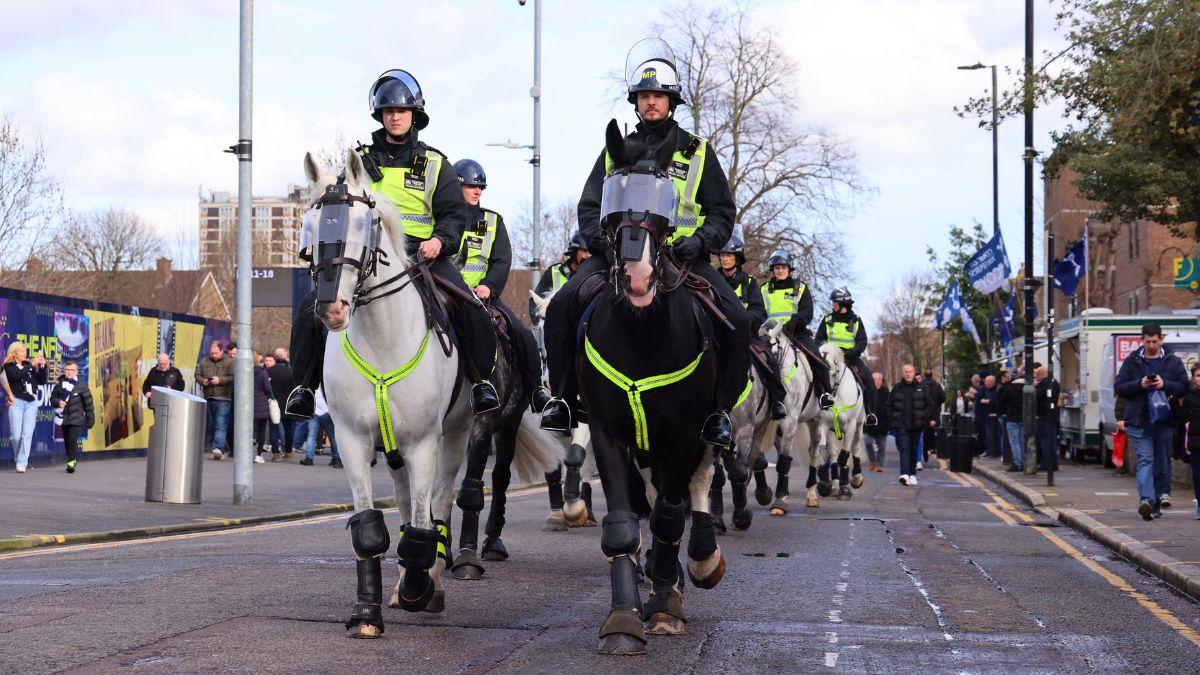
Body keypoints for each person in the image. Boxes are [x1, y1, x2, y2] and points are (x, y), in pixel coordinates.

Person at [539, 54, 749, 448]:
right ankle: (563, 399)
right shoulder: (616, 150)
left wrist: (701, 241)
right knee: (563, 304)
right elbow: (589, 206)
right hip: (621, 252)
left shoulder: (697, 151)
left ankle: (719, 412)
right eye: (643, 96)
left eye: (658, 95)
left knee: (737, 319)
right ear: (635, 101)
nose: (651, 102)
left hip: (684, 255)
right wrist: (603, 243)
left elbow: (722, 212)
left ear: (671, 101)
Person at [284, 68, 500, 419]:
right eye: (388, 111)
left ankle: (481, 383)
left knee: (471, 306)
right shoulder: (359, 161)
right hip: (372, 256)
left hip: (424, 255)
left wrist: (440, 241)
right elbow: (340, 207)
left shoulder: (435, 164)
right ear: (380, 116)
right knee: (311, 306)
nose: (394, 117)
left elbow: (454, 214)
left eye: (401, 110)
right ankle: (304, 389)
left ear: (415, 115)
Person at [452, 157, 551, 412]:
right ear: (456, 186)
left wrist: (488, 286)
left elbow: (501, 260)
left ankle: (536, 389)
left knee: (523, 334)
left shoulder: (494, 221)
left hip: (484, 296)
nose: (477, 191)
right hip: (448, 293)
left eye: (481, 187)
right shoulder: (442, 221)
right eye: (471, 186)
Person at [1114, 323, 1187, 520]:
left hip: (1164, 419)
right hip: (1139, 419)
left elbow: (1183, 386)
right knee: (1146, 459)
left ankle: (1156, 501)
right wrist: (1140, 383)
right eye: (1148, 341)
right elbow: (1120, 387)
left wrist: (1166, 384)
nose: (1152, 345)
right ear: (1142, 339)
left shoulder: (1172, 361)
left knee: (1161, 462)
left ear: (1161, 339)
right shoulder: (1132, 361)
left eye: (1155, 341)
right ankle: (1146, 500)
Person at [719, 235, 786, 420]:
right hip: (717, 335)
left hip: (745, 335)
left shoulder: (750, 282)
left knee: (769, 358)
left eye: (729, 256)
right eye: (723, 255)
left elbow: (758, 310)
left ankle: (777, 401)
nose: (725, 259)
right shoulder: (714, 279)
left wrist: (742, 321)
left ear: (737, 259)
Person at [760, 248, 833, 412]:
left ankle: (825, 393)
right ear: (773, 270)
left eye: (783, 268)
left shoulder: (800, 288)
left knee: (818, 359)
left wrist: (794, 322)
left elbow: (807, 312)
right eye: (777, 268)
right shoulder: (764, 289)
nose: (780, 271)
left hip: (795, 332)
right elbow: (760, 311)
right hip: (770, 333)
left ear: (789, 269)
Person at [815, 287, 877, 421]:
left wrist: (851, 352)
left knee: (868, 378)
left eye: (834, 302)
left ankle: (870, 412)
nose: (832, 304)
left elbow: (862, 341)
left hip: (850, 357)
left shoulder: (856, 320)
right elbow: (818, 339)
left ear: (843, 304)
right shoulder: (827, 319)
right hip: (830, 357)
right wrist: (826, 350)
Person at [3, 342, 48, 473]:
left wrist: (43, 368)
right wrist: (31, 365)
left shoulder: (28, 365)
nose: (24, 354)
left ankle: (22, 463)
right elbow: (17, 376)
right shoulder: (8, 366)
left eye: (25, 351)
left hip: (31, 402)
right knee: (16, 436)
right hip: (16, 401)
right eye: (21, 351)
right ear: (14, 353)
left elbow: (41, 381)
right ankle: (19, 457)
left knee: (27, 434)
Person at [529, 231, 590, 323]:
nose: (589, 255)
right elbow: (535, 305)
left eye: (591, 252)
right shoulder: (554, 272)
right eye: (585, 251)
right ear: (574, 251)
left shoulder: (600, 274)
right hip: (559, 334)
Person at [888, 364, 934, 486]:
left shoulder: (922, 387)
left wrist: (923, 416)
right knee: (904, 449)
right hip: (902, 426)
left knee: (913, 450)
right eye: (906, 372)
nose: (908, 374)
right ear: (903, 374)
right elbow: (889, 405)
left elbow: (930, 405)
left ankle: (912, 474)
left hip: (916, 426)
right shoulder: (897, 388)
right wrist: (893, 418)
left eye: (910, 372)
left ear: (914, 373)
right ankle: (904, 474)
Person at [51, 361, 94, 474]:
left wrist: (90, 421)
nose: (69, 372)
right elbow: (52, 399)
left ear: (76, 372)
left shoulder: (82, 385)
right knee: (67, 441)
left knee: (72, 439)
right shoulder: (60, 385)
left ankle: (70, 463)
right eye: (67, 370)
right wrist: (58, 402)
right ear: (64, 371)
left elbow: (88, 404)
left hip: (77, 418)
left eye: (71, 370)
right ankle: (72, 459)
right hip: (64, 418)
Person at [196, 341, 234, 460]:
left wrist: (220, 380)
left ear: (222, 351)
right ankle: (222, 446)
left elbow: (233, 377)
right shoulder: (204, 361)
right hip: (208, 397)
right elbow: (197, 375)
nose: (213, 355)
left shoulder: (230, 362)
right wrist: (203, 381)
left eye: (216, 353)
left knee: (220, 425)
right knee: (211, 424)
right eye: (212, 353)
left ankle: (218, 449)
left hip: (223, 398)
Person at [1175, 365, 1200, 519]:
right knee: (1197, 476)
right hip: (1195, 442)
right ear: (1193, 378)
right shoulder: (1189, 396)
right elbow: (1182, 417)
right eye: (1198, 375)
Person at [265, 350, 296, 457]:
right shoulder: (290, 372)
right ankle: (288, 451)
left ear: (275, 358)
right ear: (285, 357)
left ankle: (276, 452)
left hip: (273, 403)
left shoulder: (269, 371)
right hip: (287, 404)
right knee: (289, 428)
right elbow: (293, 388)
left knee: (274, 428)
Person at [302, 386, 342, 468]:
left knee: (311, 436)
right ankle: (337, 458)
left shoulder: (312, 383)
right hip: (327, 412)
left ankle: (309, 458)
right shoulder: (328, 383)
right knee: (332, 437)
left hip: (314, 412)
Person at [1034, 363, 1063, 472]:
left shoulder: (1044, 384)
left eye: (1037, 374)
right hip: (1052, 416)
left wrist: (1035, 387)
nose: (1036, 377)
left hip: (1044, 416)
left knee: (1045, 441)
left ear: (1043, 374)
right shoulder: (1054, 382)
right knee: (1051, 441)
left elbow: (1038, 395)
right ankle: (1052, 463)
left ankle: (1047, 464)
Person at [997, 370, 1026, 472]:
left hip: (1012, 417)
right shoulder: (1027, 388)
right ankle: (1023, 463)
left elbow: (1001, 400)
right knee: (1022, 441)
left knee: (1014, 442)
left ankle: (1017, 463)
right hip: (1024, 418)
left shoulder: (1009, 388)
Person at [864, 372, 890, 472]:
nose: (873, 381)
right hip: (870, 424)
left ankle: (879, 465)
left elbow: (889, 408)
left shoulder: (886, 392)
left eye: (874, 379)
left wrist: (888, 421)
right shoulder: (868, 392)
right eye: (872, 379)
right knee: (868, 442)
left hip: (883, 424)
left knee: (881, 446)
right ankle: (872, 460)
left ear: (880, 380)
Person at [251, 351, 273, 464]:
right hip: (261, 405)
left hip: (247, 404)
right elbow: (268, 389)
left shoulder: (244, 371)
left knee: (248, 430)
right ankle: (259, 455)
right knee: (261, 430)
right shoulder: (263, 372)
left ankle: (244, 453)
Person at [921, 370, 945, 464]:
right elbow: (943, 398)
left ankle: (924, 453)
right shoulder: (937, 386)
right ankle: (933, 448)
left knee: (924, 435)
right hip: (935, 413)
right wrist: (937, 404)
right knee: (933, 432)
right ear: (932, 375)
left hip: (924, 414)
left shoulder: (921, 385)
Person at [976, 374, 998, 458]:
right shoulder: (987, 390)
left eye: (986, 382)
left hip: (993, 416)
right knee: (987, 434)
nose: (985, 383)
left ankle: (992, 452)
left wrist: (988, 401)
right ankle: (988, 451)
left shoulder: (995, 390)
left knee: (991, 435)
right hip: (986, 415)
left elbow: (996, 401)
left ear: (991, 382)